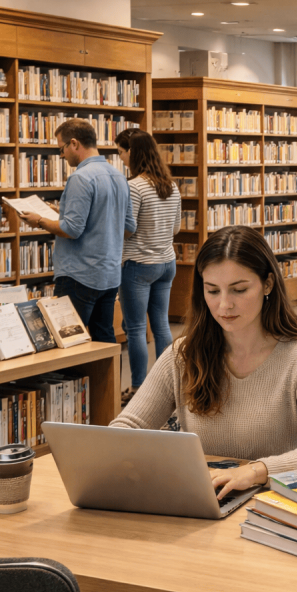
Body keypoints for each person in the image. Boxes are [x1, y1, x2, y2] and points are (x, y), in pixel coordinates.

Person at [110, 225, 297, 592]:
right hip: (195, 527)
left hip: (266, 530)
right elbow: (127, 426)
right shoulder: (185, 354)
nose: (224, 305)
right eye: (212, 290)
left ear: (267, 284)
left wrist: (254, 471)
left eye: (239, 289)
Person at [19, 118, 134, 343]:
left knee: (69, 339)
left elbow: (71, 229)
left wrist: (39, 220)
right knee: (104, 338)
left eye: (61, 149)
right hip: (109, 274)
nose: (62, 155)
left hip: (79, 275)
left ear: (74, 143)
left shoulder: (80, 177)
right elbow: (129, 227)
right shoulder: (119, 176)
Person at [115, 128, 182, 407]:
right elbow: (176, 228)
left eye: (121, 152)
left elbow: (128, 230)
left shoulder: (134, 186)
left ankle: (138, 387)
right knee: (161, 325)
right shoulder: (171, 185)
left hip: (138, 265)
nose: (120, 158)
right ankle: (169, 387)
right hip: (166, 263)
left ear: (133, 153)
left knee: (135, 329)